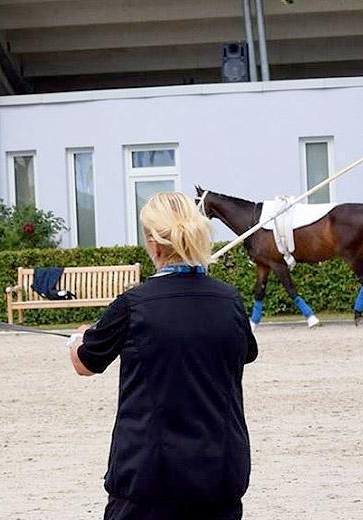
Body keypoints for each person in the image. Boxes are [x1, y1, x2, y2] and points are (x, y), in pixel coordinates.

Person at [67, 191, 256, 519]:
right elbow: (246, 353)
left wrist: (76, 340)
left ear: (153, 244)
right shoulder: (230, 302)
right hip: (220, 470)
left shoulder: (133, 304)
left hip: (149, 475)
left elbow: (85, 362)